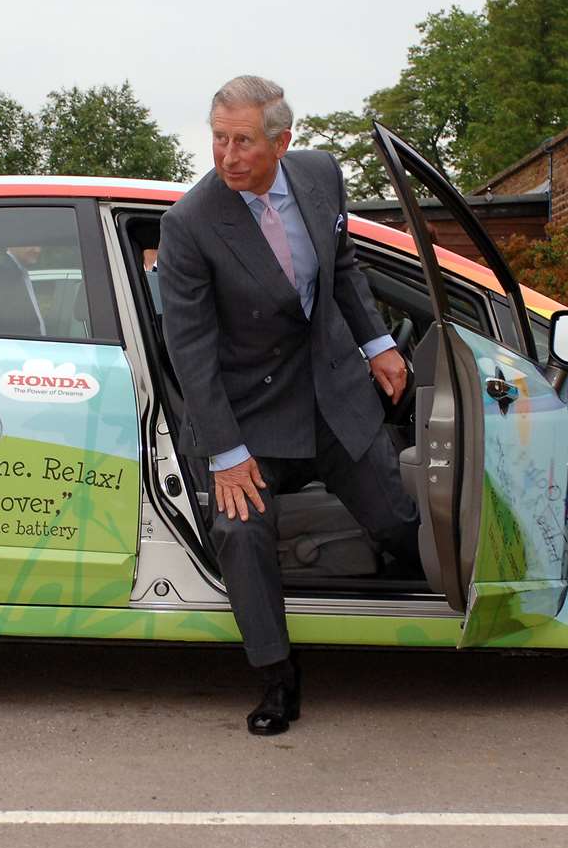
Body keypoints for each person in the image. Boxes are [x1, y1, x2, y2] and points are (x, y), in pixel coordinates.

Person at [157, 75, 421, 736]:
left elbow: (344, 266)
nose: (228, 156)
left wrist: (380, 342)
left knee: (396, 515)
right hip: (244, 411)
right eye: (219, 139)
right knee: (241, 533)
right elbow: (189, 348)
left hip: (329, 389)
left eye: (243, 140)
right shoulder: (190, 223)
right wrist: (225, 451)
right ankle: (276, 676)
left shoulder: (319, 175)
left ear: (283, 140)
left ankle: (420, 614)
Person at [0, 245, 46, 336]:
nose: (38, 250)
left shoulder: (21, 272)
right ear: (13, 244)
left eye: (39, 245)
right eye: (31, 244)